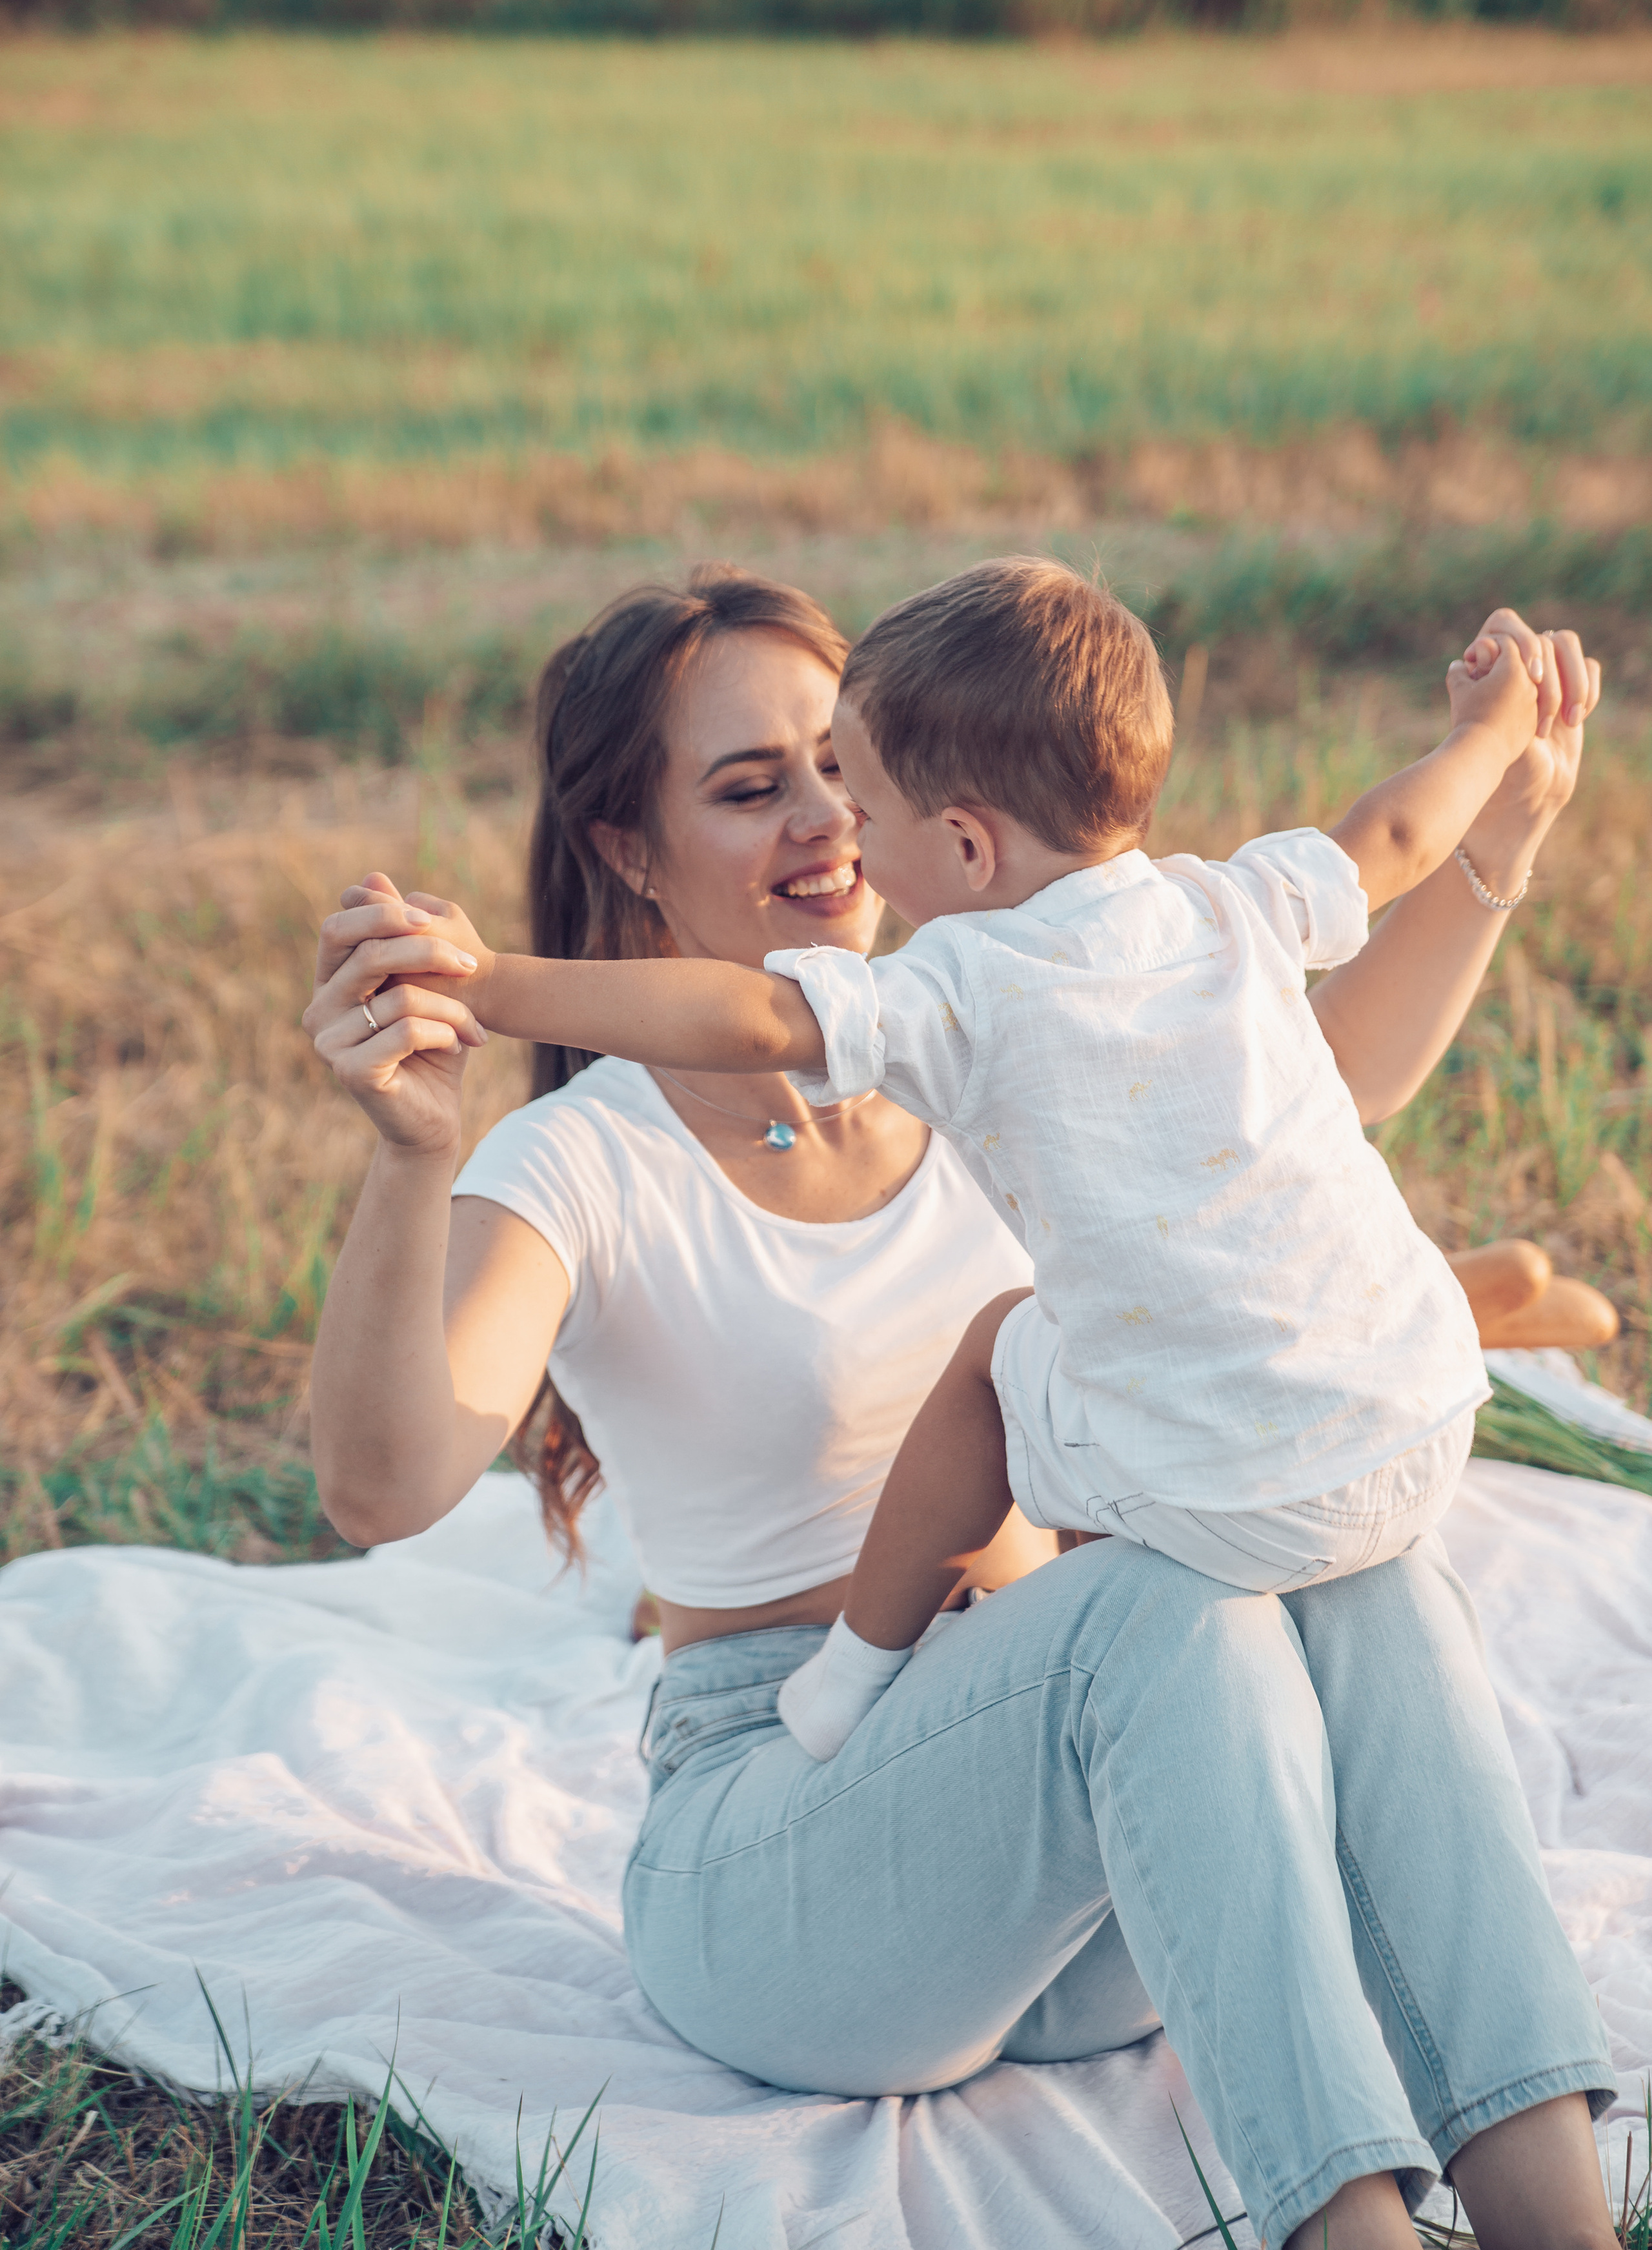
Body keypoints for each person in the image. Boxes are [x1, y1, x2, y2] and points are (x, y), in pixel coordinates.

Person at [303, 567, 1615, 2250]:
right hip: (797, 1855)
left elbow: (1336, 1073)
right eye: (750, 787)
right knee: (1164, 1605)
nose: (827, 819)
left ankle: (1554, 2215)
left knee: (1369, 1573)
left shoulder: (1014, 1031)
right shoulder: (587, 1157)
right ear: (631, 852)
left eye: (836, 764)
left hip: (1106, 1867)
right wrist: (414, 1155)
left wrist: (1503, 824)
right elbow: (386, 1489)